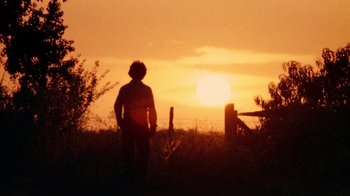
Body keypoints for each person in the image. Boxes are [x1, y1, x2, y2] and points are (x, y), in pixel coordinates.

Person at [114, 61, 157, 184]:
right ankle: (141, 179)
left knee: (128, 154)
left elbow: (117, 105)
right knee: (144, 154)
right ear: (143, 73)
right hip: (142, 125)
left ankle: (129, 179)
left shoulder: (125, 89)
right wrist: (152, 125)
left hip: (128, 124)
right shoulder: (147, 89)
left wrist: (120, 121)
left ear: (131, 72)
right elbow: (152, 109)